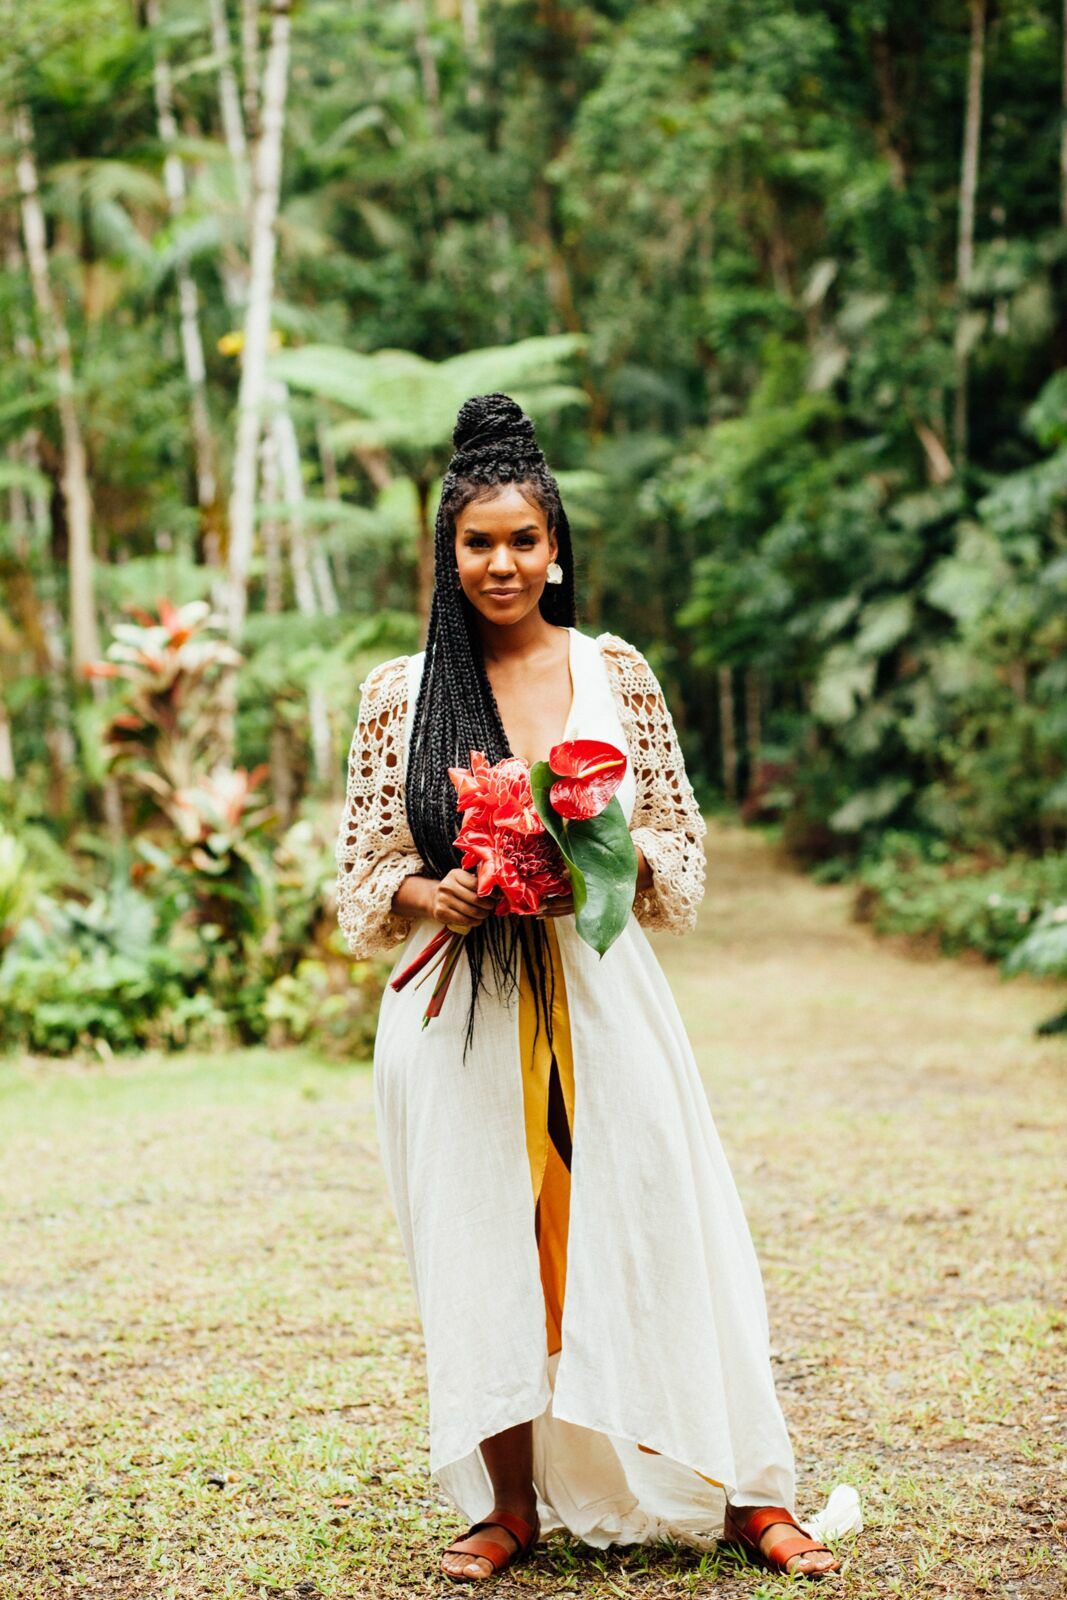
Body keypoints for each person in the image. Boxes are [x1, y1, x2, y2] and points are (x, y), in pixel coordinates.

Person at [335, 393, 845, 1582]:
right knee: (478, 1245)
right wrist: (433, 894)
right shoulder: (395, 695)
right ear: (446, 553)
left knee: (663, 1221)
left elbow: (678, 851)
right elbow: (361, 866)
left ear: (555, 546)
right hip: (455, 1015)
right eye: (477, 542)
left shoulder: (614, 672)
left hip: (602, 994)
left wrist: (583, 859)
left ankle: (741, 1494)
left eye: (522, 539)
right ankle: (506, 1505)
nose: (501, 563)